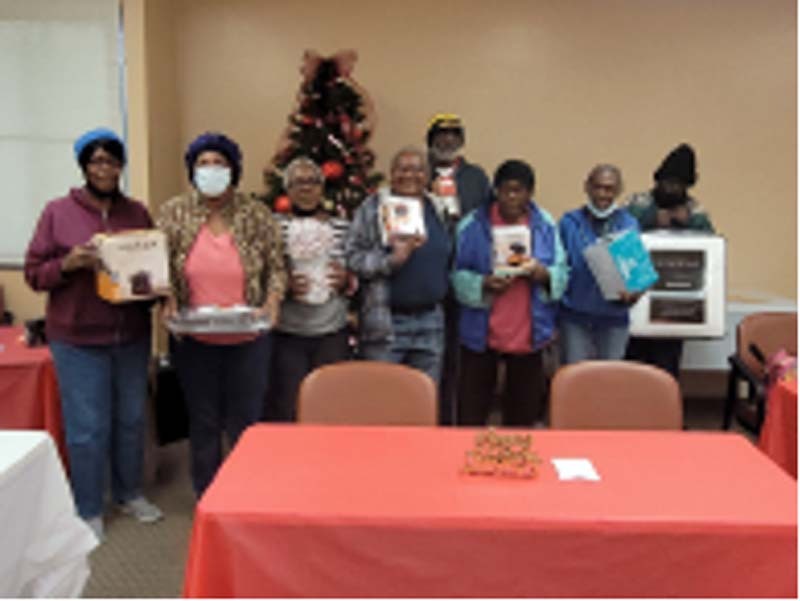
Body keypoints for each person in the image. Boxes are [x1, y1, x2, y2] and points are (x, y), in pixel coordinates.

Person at [24, 127, 163, 540]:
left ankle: (129, 493)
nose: (105, 168)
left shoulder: (137, 213)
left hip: (131, 337)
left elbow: (151, 272)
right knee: (87, 427)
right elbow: (35, 274)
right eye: (96, 160)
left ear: (121, 166)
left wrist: (157, 288)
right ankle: (87, 507)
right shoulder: (56, 212)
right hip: (77, 340)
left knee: (132, 420)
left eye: (112, 160)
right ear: (84, 165)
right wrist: (68, 264)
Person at [157, 132, 286, 496]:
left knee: (246, 421)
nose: (211, 170)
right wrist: (166, 299)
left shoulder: (255, 213)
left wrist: (273, 300)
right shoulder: (173, 213)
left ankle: (245, 494)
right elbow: (157, 267)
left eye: (219, 163)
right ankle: (209, 496)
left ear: (234, 170)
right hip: (195, 338)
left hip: (249, 337)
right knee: (203, 421)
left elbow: (277, 265)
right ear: (192, 170)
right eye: (203, 164)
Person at [452, 159, 568, 426]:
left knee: (522, 414)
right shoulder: (472, 224)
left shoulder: (546, 224)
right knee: (472, 411)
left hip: (528, 331)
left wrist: (545, 275)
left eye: (519, 190)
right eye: (506, 190)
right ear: (495, 190)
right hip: (481, 332)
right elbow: (455, 276)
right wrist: (482, 283)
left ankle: (518, 462)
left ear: (530, 193)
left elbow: (562, 271)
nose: (512, 197)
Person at [346, 146, 450, 383]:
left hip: (431, 320)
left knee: (425, 400)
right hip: (387, 322)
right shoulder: (372, 208)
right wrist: (390, 260)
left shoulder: (437, 207)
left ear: (427, 175)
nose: (409, 175)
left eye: (417, 169)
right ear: (391, 173)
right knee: (383, 400)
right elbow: (352, 256)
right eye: (402, 169)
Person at [266, 157, 353, 421]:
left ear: (322, 187)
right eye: (297, 182)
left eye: (312, 181)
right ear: (287, 189)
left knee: (330, 405)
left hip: (331, 331)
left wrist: (348, 280)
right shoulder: (272, 226)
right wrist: (284, 285)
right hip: (289, 332)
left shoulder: (341, 226)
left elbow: (357, 271)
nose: (306, 187)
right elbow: (258, 272)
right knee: (289, 405)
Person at [624, 143, 715, 378]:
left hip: (673, 301)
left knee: (666, 366)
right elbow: (619, 236)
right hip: (635, 297)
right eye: (666, 182)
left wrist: (690, 225)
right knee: (631, 362)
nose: (671, 188)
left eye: (678, 184)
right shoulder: (638, 203)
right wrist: (651, 219)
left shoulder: (697, 213)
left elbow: (711, 250)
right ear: (657, 180)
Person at [426, 113, 492, 425]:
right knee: (429, 359)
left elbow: (489, 223)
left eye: (454, 135)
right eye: (441, 134)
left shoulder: (476, 177)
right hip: (427, 280)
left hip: (466, 281)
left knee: (459, 357)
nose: (447, 140)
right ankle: (425, 418)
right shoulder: (417, 172)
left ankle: (452, 422)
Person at [558, 165, 642, 363]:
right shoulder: (569, 224)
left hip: (614, 318)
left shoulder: (628, 225)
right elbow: (557, 270)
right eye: (598, 187)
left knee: (610, 381)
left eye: (610, 189)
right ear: (587, 187)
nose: (603, 194)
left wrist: (635, 293)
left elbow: (637, 276)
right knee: (574, 378)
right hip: (574, 317)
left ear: (619, 190)